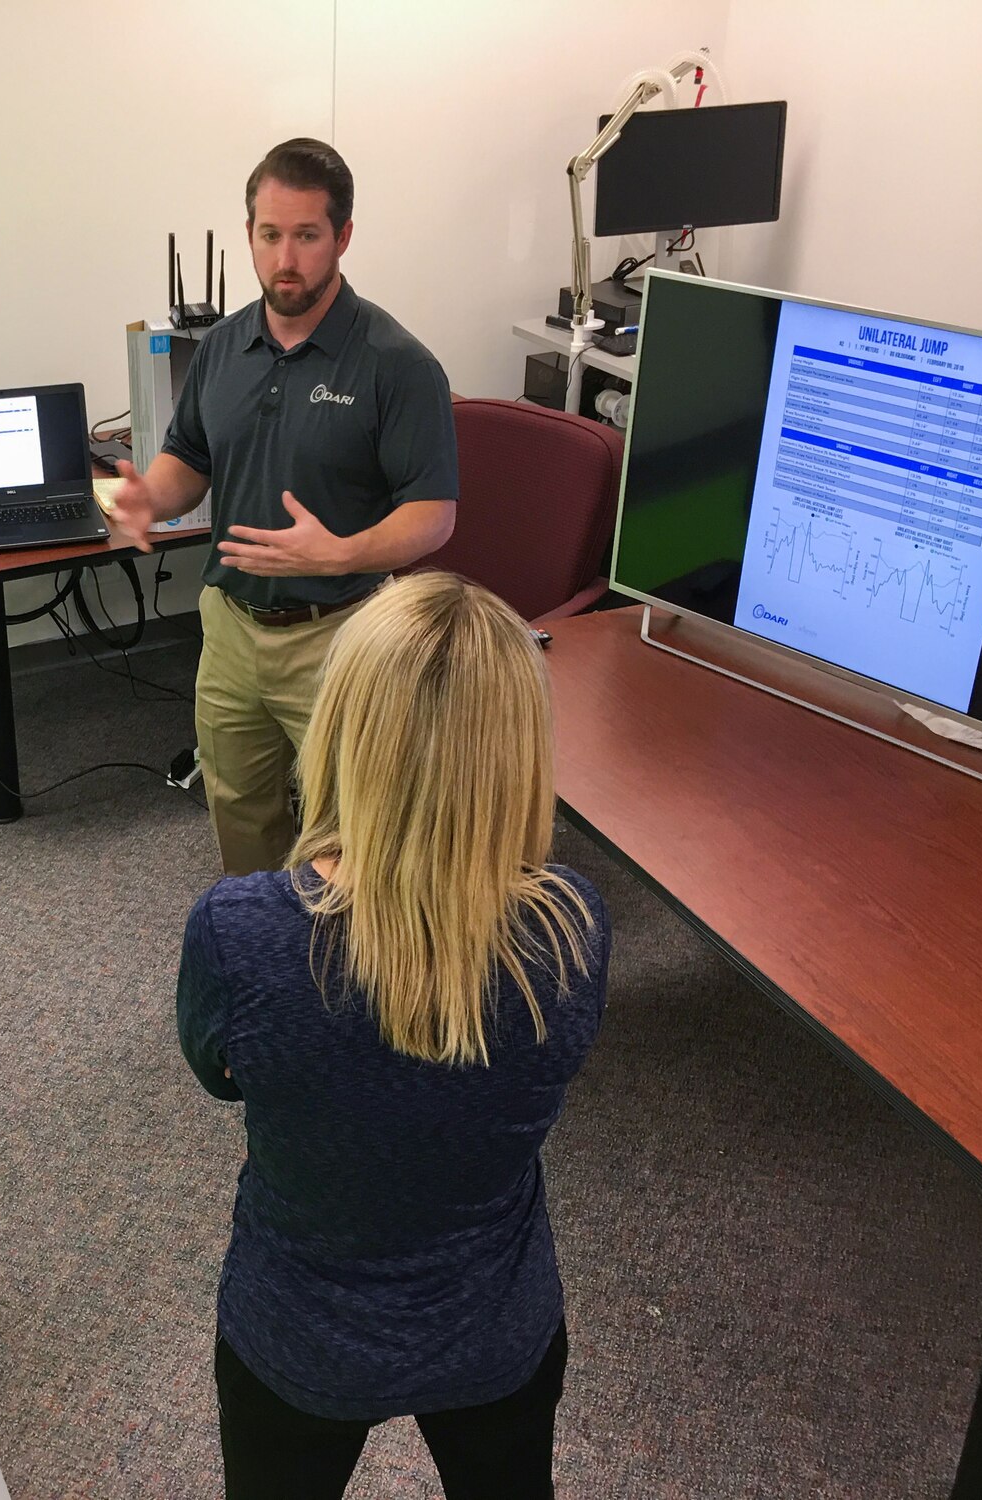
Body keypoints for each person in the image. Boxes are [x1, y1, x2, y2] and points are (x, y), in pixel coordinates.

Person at [175, 572, 611, 1500]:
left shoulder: (240, 933)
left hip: (299, 1331)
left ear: (340, 727)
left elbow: (218, 1077)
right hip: (497, 1329)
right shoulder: (571, 927)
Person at [103, 137, 461, 876]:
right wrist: (149, 498)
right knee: (238, 808)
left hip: (340, 634)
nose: (285, 259)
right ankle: (263, 952)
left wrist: (343, 552)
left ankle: (359, 972)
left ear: (343, 238)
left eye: (306, 236)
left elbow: (434, 513)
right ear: (249, 236)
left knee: (354, 826)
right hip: (230, 627)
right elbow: (191, 459)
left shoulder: (398, 365)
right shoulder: (224, 345)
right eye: (270, 236)